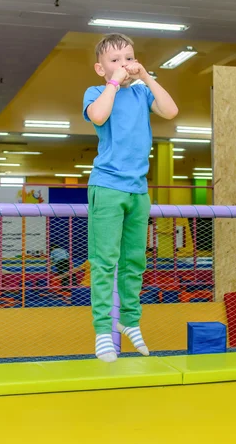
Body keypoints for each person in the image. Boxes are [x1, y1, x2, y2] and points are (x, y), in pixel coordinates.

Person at [82, 33, 178, 362]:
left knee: (134, 261)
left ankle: (130, 321)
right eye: (115, 60)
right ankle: (102, 330)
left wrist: (146, 77)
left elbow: (170, 110)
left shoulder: (140, 94)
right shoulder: (96, 92)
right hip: (107, 186)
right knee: (105, 262)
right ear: (100, 68)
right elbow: (98, 116)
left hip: (138, 189)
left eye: (129, 57)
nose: (124, 64)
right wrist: (113, 83)